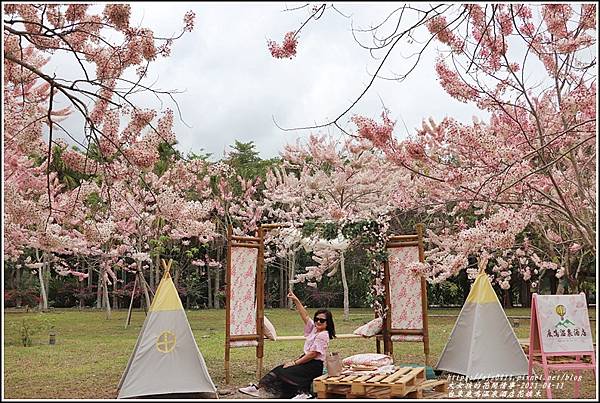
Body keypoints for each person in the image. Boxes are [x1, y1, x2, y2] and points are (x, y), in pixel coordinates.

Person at [239, 290, 336, 399]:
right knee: (280, 369)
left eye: (322, 320)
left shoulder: (323, 335)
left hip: (313, 365)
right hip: (307, 361)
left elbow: (313, 354)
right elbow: (305, 315)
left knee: (282, 371)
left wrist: (295, 362)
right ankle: (258, 387)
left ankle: (301, 392)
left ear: (328, 323)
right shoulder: (315, 329)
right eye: (317, 319)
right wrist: (296, 300)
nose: (318, 322)